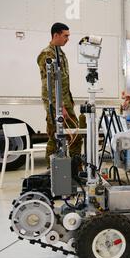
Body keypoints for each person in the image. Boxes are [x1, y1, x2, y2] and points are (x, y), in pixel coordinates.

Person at [37, 22, 83, 167]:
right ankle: (52, 171)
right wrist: (59, 105)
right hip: (55, 103)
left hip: (64, 101)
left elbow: (63, 80)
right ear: (55, 35)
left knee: (74, 134)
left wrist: (68, 100)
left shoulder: (59, 52)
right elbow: (50, 83)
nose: (67, 39)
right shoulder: (47, 54)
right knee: (56, 136)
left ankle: (75, 167)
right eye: (65, 36)